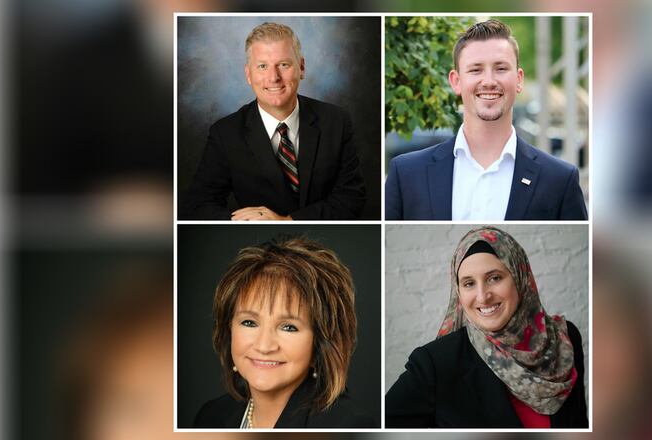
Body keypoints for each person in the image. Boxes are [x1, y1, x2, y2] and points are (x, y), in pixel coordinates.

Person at [385, 226, 588, 428]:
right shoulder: (435, 364)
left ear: (520, 277)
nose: (483, 297)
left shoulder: (564, 338)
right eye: (469, 283)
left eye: (494, 278)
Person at [385, 19, 587, 220]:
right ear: (456, 81)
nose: (489, 81)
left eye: (501, 68)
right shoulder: (406, 174)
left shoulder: (560, 180)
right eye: (475, 70)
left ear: (519, 80)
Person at [184, 22, 366, 220]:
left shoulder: (336, 122)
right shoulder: (225, 134)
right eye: (262, 66)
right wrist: (246, 222)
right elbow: (199, 205)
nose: (273, 77)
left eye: (283, 65)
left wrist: (289, 221)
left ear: (301, 68)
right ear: (248, 74)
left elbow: (352, 197)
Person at [194, 237, 376, 428]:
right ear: (228, 328)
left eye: (288, 327)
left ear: (321, 341)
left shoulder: (347, 426)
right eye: (249, 322)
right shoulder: (211, 417)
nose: (264, 346)